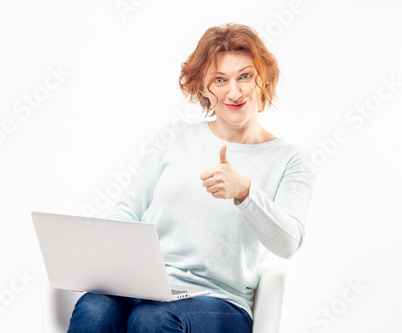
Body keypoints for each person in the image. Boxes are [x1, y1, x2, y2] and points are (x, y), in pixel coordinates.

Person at [67, 23, 315, 333]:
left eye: (245, 76)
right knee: (95, 307)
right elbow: (128, 211)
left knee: (153, 319)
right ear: (202, 88)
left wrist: (246, 193)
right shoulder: (174, 140)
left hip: (221, 302)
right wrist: (113, 257)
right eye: (220, 80)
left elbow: (288, 243)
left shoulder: (290, 160)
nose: (235, 92)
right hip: (149, 289)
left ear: (263, 79)